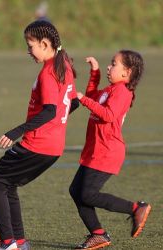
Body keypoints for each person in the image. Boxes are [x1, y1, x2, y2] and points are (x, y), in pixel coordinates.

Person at [0, 20, 79, 250]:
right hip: (54, 147)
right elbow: (73, 103)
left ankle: (8, 243)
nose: (28, 51)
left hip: (38, 144)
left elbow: (50, 110)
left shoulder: (49, 72)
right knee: (8, 184)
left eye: (30, 45)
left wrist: (17, 131)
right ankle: (19, 241)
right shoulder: (64, 65)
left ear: (45, 43)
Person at [69, 51, 150, 249]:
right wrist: (94, 72)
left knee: (87, 194)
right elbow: (91, 97)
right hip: (95, 150)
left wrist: (83, 99)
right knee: (76, 191)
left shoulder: (122, 92)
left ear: (127, 72)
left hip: (107, 151)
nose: (109, 67)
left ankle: (135, 208)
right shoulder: (110, 89)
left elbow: (108, 115)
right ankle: (98, 234)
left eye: (114, 64)